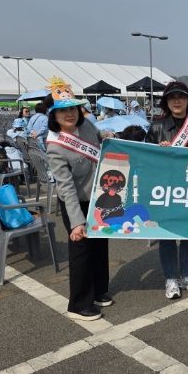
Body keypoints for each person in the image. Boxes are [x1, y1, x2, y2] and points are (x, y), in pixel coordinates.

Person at [45, 78, 111, 321]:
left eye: (73, 108)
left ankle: (99, 290)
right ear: (54, 115)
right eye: (63, 110)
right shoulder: (55, 146)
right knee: (81, 249)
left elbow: (99, 136)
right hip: (75, 202)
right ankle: (79, 303)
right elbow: (66, 187)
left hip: (98, 197)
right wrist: (76, 222)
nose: (69, 114)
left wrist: (107, 135)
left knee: (100, 245)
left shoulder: (87, 126)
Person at [146, 81, 188, 299]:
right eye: (172, 97)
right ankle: (171, 277)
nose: (176, 101)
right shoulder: (156, 127)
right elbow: (146, 159)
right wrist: (159, 151)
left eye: (181, 97)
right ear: (166, 101)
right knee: (166, 235)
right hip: (165, 190)